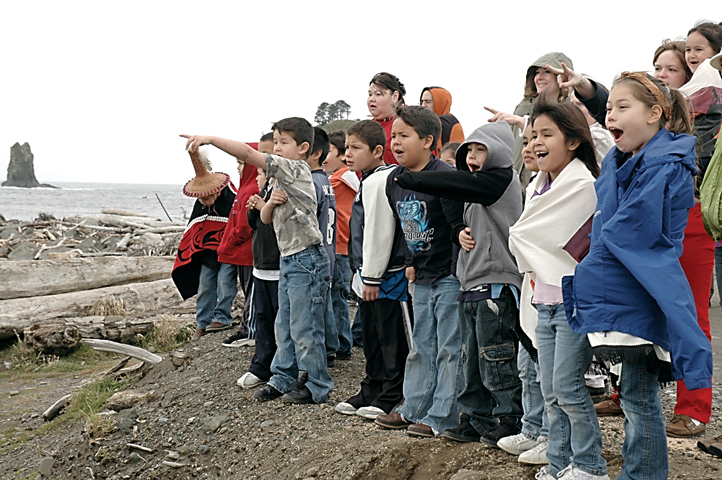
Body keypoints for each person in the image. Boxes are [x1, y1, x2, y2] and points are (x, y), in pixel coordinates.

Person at [564, 71, 714, 480]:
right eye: (608, 108)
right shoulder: (622, 159)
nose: (610, 114)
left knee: (639, 395)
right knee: (631, 393)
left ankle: (644, 474)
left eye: (621, 107)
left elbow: (633, 232)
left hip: (642, 286)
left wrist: (590, 264)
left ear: (655, 114)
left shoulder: (666, 164)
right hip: (625, 286)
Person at [182, 116, 334, 405]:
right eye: (275, 142)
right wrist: (267, 204)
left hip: (306, 258)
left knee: (305, 327)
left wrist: (211, 140)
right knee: (284, 325)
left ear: (303, 148)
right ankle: (282, 377)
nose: (276, 148)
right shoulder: (279, 179)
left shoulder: (295, 168)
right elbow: (267, 219)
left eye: (283, 143)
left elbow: (249, 153)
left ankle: (316, 384)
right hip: (288, 258)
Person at [395, 121, 524, 446]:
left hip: (497, 284)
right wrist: (457, 233)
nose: (474, 157)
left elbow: (452, 182)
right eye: (471, 150)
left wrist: (412, 177)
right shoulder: (474, 186)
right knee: (472, 358)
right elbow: (458, 220)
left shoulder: (502, 179)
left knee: (496, 356)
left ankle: (508, 418)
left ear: (500, 152)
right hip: (471, 282)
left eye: (482, 150)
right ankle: (476, 418)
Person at [508, 101, 607, 480]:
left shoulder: (582, 184)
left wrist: (525, 241)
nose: (536, 143)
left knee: (568, 388)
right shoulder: (537, 184)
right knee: (550, 389)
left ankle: (589, 465)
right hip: (544, 300)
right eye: (532, 135)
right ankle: (559, 462)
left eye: (546, 134)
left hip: (571, 303)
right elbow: (531, 238)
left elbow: (527, 235)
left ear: (572, 140)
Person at [374, 106, 465, 438]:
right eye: (393, 135)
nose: (395, 142)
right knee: (422, 344)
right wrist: (410, 262)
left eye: (404, 135)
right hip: (421, 274)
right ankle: (412, 407)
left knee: (450, 346)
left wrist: (455, 272)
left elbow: (457, 227)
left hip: (449, 274)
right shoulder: (394, 181)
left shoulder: (444, 176)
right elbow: (402, 229)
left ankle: (443, 415)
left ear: (428, 141)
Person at [334, 120, 410, 420]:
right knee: (373, 335)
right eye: (346, 148)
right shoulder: (367, 180)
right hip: (369, 275)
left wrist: (371, 276)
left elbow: (380, 232)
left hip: (385, 277)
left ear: (378, 150)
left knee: (391, 338)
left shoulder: (382, 180)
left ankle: (392, 393)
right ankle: (373, 386)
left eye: (356, 148)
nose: (348, 154)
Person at [498, 122, 550, 465]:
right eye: (527, 140)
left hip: (551, 288)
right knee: (526, 366)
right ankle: (531, 428)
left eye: (540, 140)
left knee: (548, 371)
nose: (529, 147)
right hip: (530, 285)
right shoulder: (533, 184)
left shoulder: (572, 184)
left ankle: (550, 436)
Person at [171, 148, 236, 342]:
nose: (203, 202)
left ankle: (223, 317)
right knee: (206, 285)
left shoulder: (232, 197)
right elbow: (195, 228)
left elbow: (238, 225)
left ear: (216, 191)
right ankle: (201, 324)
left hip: (230, 250)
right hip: (207, 253)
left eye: (206, 198)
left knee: (225, 283)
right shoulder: (200, 201)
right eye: (200, 199)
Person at [485, 52, 574, 188]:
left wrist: (523, 123)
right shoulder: (523, 107)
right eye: (537, 72)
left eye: (547, 72)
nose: (539, 77)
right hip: (518, 183)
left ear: (562, 76)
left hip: (553, 183)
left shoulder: (573, 110)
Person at [237, 166, 281, 388]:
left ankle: (282, 369)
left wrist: (265, 206)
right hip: (261, 265)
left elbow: (284, 224)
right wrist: (254, 208)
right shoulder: (267, 189)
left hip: (280, 266)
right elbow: (256, 224)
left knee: (281, 321)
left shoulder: (286, 187)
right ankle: (261, 365)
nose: (257, 178)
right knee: (263, 317)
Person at [217, 138, 261, 348]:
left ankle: (250, 330)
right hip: (241, 253)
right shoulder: (244, 187)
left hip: (247, 252)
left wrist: (232, 240)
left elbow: (245, 225)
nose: (238, 167)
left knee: (252, 292)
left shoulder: (252, 187)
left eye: (242, 163)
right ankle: (247, 327)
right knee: (247, 290)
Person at [326, 130, 359, 360]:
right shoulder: (351, 178)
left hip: (339, 245)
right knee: (340, 297)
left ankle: (341, 345)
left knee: (336, 296)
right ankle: (342, 342)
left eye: (329, 151)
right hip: (347, 246)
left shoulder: (337, 181)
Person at [308, 127, 339, 365]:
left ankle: (325, 351)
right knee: (326, 301)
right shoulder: (326, 180)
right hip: (329, 250)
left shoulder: (312, 182)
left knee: (317, 308)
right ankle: (332, 346)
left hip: (316, 253)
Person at [368, 72, 406, 165]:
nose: (372, 99)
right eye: (370, 94)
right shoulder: (366, 128)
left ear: (395, 96)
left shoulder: (407, 124)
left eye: (378, 94)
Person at [419, 86, 465, 152]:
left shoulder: (450, 124)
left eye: (428, 101)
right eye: (421, 102)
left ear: (440, 102)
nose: (423, 105)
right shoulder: (422, 124)